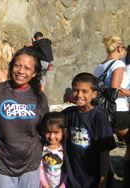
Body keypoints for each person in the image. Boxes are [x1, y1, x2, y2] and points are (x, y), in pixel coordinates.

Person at [0, 47, 49, 188]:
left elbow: (45, 129)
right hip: (2, 163)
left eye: (27, 68)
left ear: (34, 73)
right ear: (11, 67)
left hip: (30, 164)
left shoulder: (39, 98)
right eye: (17, 65)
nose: (21, 71)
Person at [62, 73, 116, 188]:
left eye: (85, 91)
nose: (79, 95)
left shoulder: (99, 118)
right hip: (73, 178)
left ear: (94, 94)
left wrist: (102, 182)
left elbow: (104, 154)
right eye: (75, 90)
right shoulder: (68, 114)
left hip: (93, 179)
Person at [94, 36, 130, 188]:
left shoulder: (99, 66)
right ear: (119, 49)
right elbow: (115, 89)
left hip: (104, 111)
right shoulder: (118, 65)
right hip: (118, 110)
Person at [39, 112, 67, 188]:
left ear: (64, 131)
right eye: (48, 132)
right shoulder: (42, 148)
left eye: (56, 132)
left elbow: (68, 170)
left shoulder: (65, 149)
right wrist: (45, 185)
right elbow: (40, 168)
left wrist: (62, 186)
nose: (51, 136)